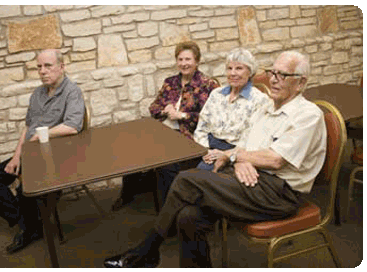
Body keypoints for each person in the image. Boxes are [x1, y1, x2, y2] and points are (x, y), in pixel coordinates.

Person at [103, 51, 327, 268]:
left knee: (185, 179)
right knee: (189, 216)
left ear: (300, 83)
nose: (274, 80)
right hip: (253, 178)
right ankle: (151, 255)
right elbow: (246, 145)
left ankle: (146, 252)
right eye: (272, 72)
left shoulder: (308, 115)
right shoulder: (268, 107)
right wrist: (240, 159)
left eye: (283, 75)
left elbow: (276, 159)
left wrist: (237, 156)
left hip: (279, 194)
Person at [0, 49, 85, 254]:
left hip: (56, 154)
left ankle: (28, 227)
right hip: (30, 151)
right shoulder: (37, 93)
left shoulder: (72, 91)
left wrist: (43, 134)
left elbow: (73, 126)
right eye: (39, 67)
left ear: (61, 67)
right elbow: (28, 127)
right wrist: (17, 156)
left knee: (24, 189)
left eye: (48, 66)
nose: (42, 71)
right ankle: (27, 223)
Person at [111, 41, 219, 211]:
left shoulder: (208, 85)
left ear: (197, 61)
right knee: (131, 147)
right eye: (180, 59)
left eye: (188, 59)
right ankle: (128, 194)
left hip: (188, 137)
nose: (184, 63)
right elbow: (153, 108)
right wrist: (165, 109)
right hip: (163, 131)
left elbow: (212, 120)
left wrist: (182, 115)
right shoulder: (170, 82)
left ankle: (168, 211)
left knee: (165, 163)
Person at [194, 48, 270, 171]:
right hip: (207, 146)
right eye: (229, 68)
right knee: (172, 165)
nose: (233, 73)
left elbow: (251, 139)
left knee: (198, 175)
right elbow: (202, 126)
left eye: (239, 68)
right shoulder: (216, 94)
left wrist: (227, 154)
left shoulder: (260, 100)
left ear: (250, 72)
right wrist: (206, 150)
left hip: (234, 151)